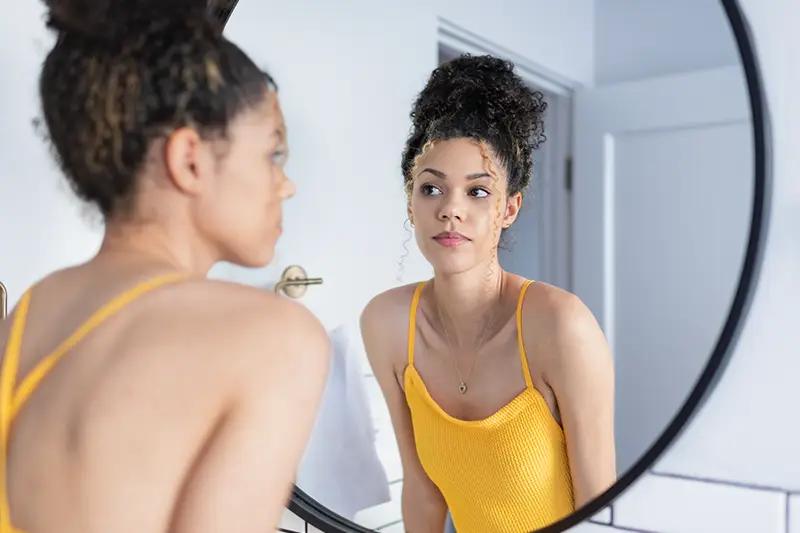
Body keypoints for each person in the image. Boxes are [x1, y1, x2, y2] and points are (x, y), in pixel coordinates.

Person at [0, 1, 331, 533]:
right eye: (273, 154)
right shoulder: (274, 336)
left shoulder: (36, 308)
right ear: (190, 160)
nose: (286, 184)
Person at [360, 55, 616, 533]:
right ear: (410, 203)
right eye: (431, 189)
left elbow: (597, 513)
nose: (450, 210)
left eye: (477, 192)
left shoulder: (560, 325)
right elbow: (422, 491)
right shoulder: (386, 324)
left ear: (509, 208)